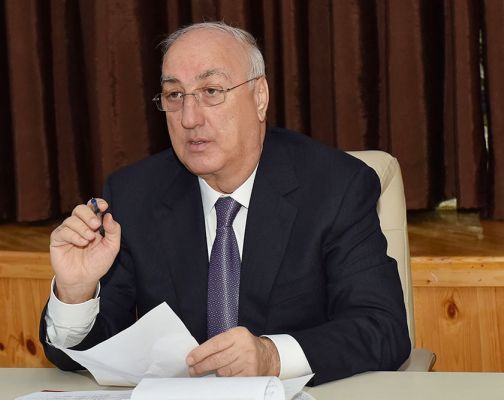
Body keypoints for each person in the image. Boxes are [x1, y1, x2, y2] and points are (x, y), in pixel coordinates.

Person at [39, 21, 410, 385]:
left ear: (259, 97)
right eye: (175, 95)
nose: (189, 118)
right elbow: (89, 354)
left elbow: (383, 328)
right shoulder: (135, 194)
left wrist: (273, 356)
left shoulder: (335, 186)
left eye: (211, 91)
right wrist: (76, 293)